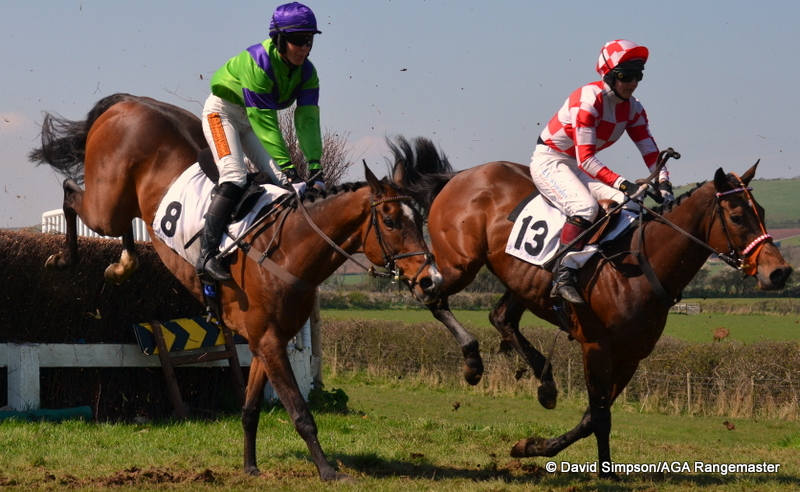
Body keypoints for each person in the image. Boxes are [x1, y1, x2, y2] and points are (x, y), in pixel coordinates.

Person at [529, 39, 674, 304]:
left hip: (575, 165)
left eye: (638, 76)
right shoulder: (588, 100)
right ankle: (562, 275)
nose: (633, 83)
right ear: (608, 75)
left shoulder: (633, 108)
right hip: (550, 160)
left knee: (632, 204)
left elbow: (650, 151)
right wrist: (624, 183)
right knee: (585, 208)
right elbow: (586, 159)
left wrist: (664, 183)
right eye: (626, 76)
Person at [197, 2, 325, 282]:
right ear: (279, 39)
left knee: (285, 184)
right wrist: (290, 169)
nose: (304, 48)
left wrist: (316, 166)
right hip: (222, 114)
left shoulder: (308, 72)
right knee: (234, 177)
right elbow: (265, 121)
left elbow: (307, 119)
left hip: (250, 119)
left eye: (309, 40)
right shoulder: (259, 61)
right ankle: (206, 255)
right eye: (298, 40)